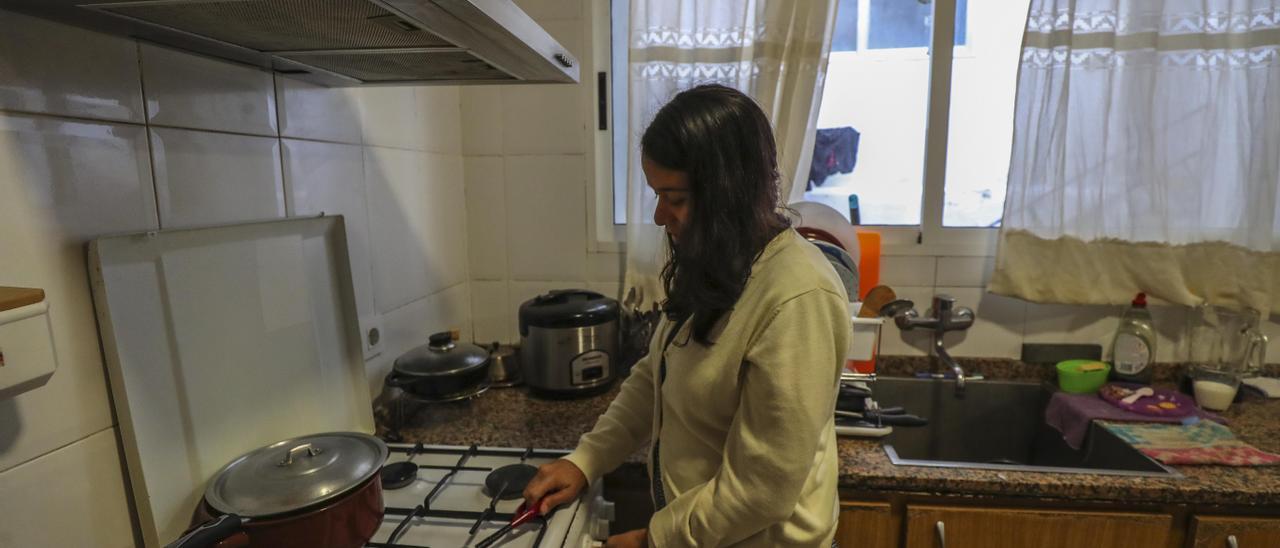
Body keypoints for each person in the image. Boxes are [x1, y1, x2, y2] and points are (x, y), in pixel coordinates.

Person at [523, 84, 851, 547]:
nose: (660, 216)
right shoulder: (722, 258)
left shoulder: (798, 297)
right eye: (658, 195)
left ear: (728, 193)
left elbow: (762, 489)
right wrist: (587, 458)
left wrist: (654, 540)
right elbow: (656, 375)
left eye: (673, 198)